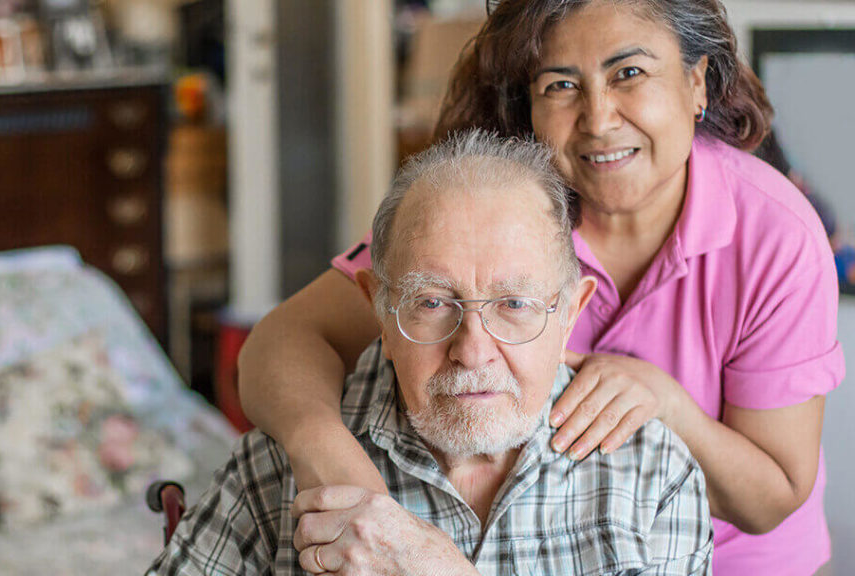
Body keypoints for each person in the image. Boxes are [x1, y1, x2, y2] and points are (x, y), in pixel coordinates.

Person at [237, 1, 844, 575]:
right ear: (525, 104)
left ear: (696, 83)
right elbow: (281, 341)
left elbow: (774, 498)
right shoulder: (491, 213)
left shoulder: (775, 233)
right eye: (560, 85)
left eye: (629, 72)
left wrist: (666, 404)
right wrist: (331, 460)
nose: (600, 119)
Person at [148, 131, 713, 576]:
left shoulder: (650, 473)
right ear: (379, 309)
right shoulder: (280, 465)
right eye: (433, 302)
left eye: (514, 303)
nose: (472, 351)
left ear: (569, 313)